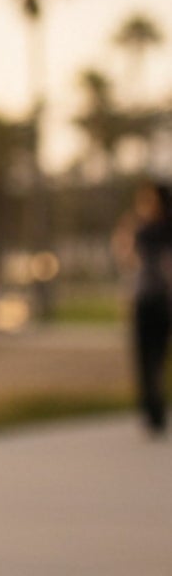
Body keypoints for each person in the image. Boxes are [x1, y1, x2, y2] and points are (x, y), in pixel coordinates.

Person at [112, 178, 172, 437]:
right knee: (145, 359)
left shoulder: (156, 230)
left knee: (155, 358)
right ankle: (151, 411)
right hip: (144, 298)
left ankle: (155, 410)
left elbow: (127, 257)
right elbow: (125, 259)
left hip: (160, 299)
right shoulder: (142, 228)